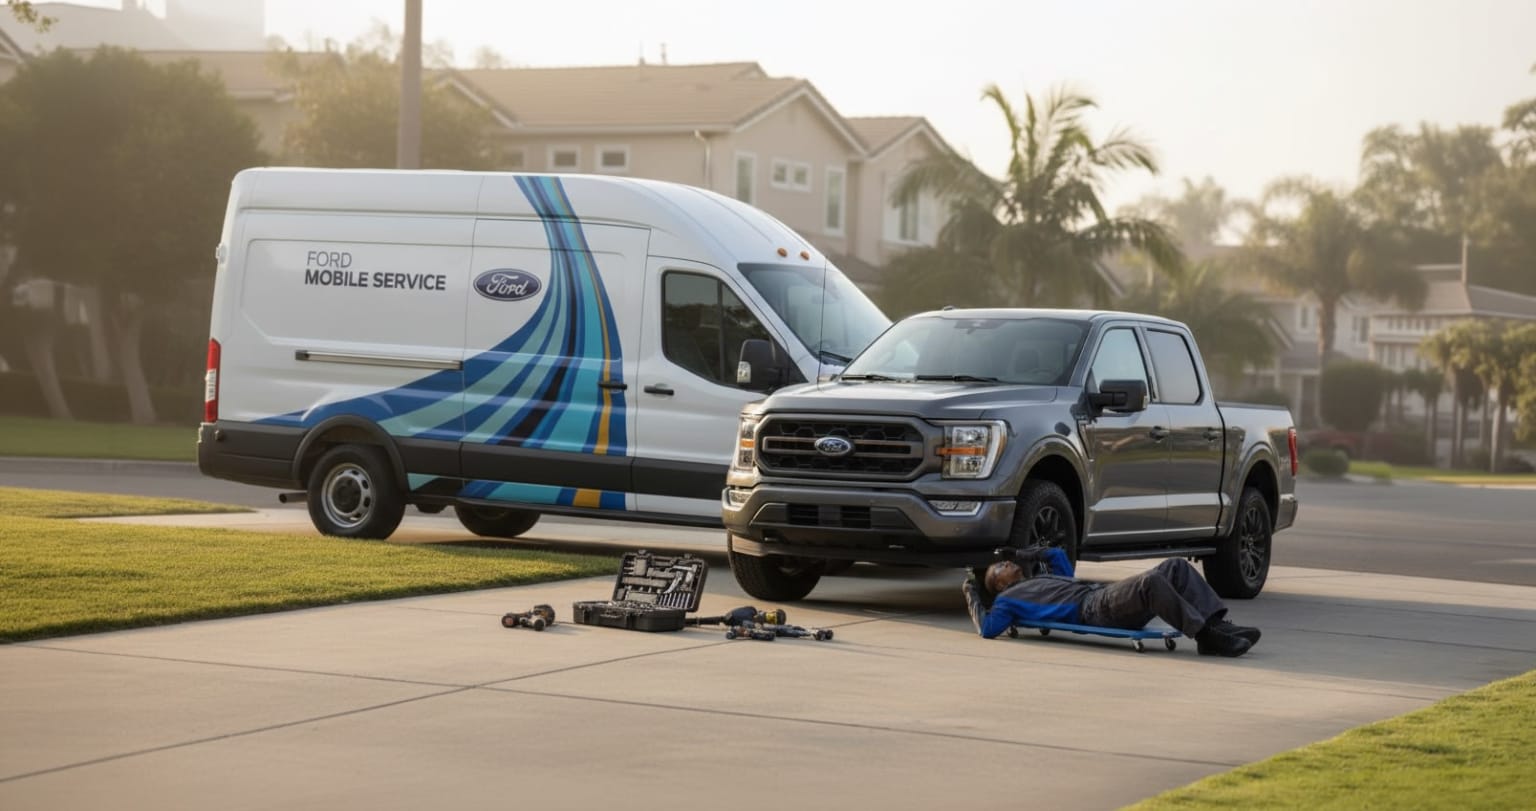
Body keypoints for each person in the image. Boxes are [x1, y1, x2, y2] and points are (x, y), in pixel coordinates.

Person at [962, 547, 1261, 657]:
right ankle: (1205, 636)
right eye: (1000, 568)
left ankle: (1216, 624)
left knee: (1176, 566)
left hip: (1104, 597)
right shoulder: (1006, 602)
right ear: (999, 584)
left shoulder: (1041, 581)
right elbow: (988, 628)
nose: (1007, 565)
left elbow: (1057, 557)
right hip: (1094, 610)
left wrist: (1025, 555)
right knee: (1151, 583)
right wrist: (971, 591)